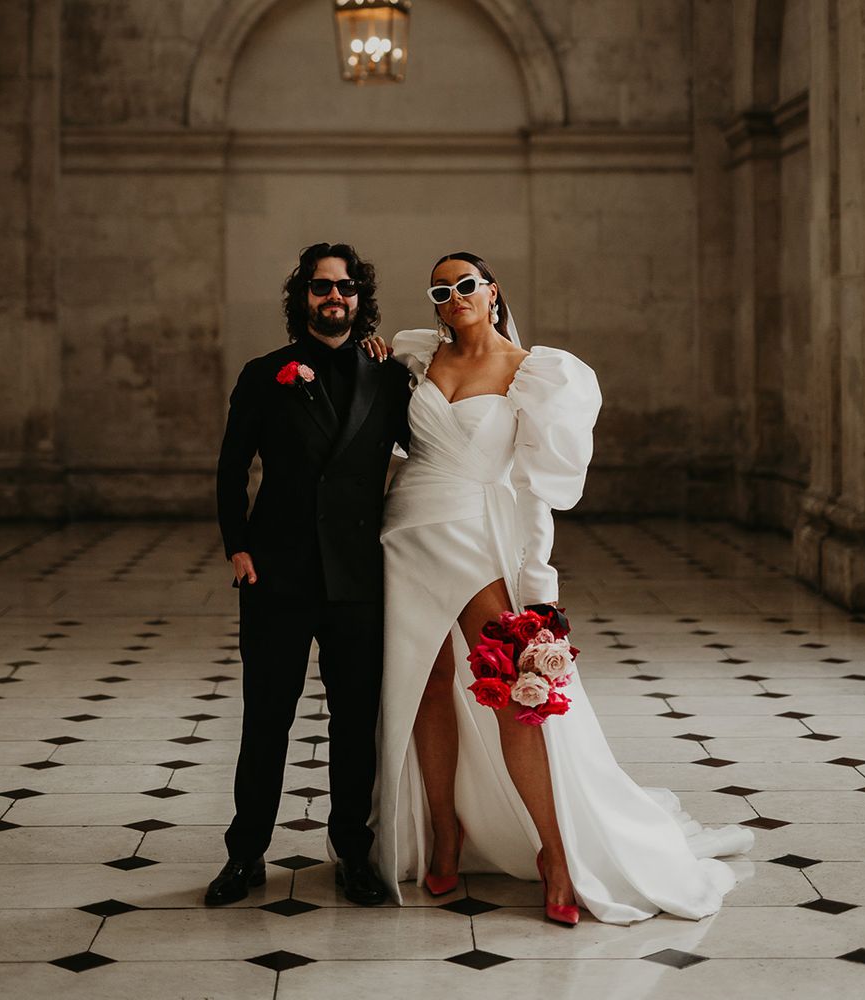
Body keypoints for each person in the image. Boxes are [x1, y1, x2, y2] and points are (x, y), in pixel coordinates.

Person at [373, 251, 753, 925]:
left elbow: (534, 491)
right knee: (427, 684)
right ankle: (444, 833)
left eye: (467, 284)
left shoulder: (537, 373)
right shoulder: (412, 360)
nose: (455, 295)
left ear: (492, 292)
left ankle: (555, 850)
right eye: (442, 288)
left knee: (513, 688)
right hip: (405, 530)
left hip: (476, 533)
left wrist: (539, 586)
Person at [208, 242, 411, 907]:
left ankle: (353, 852)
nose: (335, 297)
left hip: (359, 576)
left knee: (355, 722)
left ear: (360, 298)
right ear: (303, 297)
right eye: (322, 287)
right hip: (278, 573)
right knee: (266, 718)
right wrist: (237, 545)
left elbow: (429, 450)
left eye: (346, 287)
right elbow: (232, 465)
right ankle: (245, 856)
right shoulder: (266, 373)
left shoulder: (389, 377)